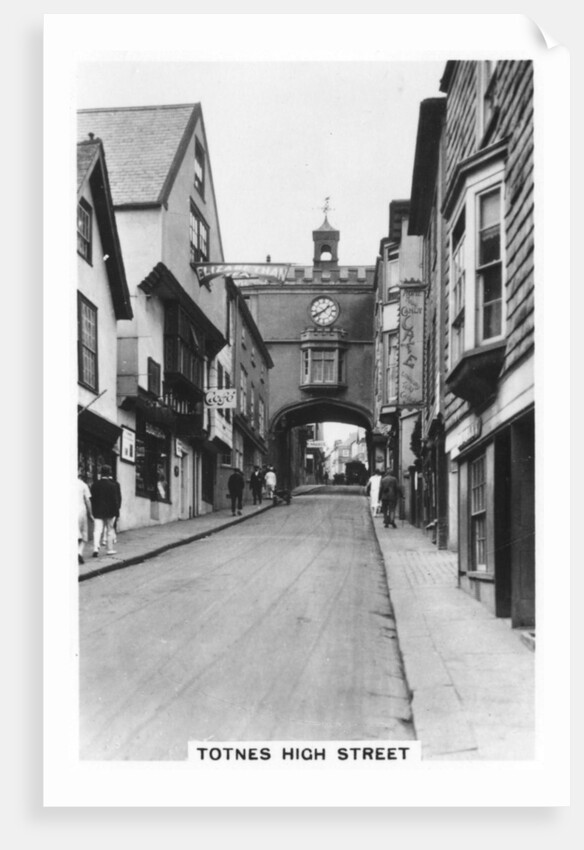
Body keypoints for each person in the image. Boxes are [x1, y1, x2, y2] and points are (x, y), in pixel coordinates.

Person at [91, 465, 122, 557]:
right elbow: (115, 500)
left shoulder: (95, 485)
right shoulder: (112, 485)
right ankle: (109, 549)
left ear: (101, 473)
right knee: (109, 530)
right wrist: (117, 513)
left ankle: (95, 548)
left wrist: (93, 511)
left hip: (98, 511)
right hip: (109, 512)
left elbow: (92, 499)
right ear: (109, 473)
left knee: (97, 530)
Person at [78, 473, 94, 565]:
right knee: (84, 534)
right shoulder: (83, 485)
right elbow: (88, 500)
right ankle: (79, 552)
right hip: (80, 510)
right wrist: (91, 514)